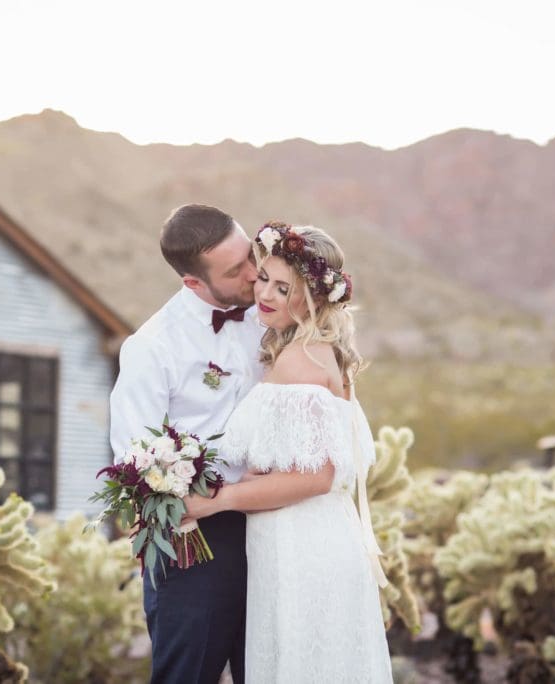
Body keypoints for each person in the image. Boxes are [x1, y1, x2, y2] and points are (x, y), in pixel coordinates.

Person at [182, 222, 393, 683]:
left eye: (285, 288)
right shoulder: (314, 351)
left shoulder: (302, 359)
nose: (267, 295)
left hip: (302, 547)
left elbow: (315, 477)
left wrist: (218, 499)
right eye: (265, 279)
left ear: (315, 298)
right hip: (301, 538)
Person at [108, 204, 264, 684]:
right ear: (193, 283)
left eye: (251, 256)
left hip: (275, 522)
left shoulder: (273, 312)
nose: (254, 274)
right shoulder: (153, 348)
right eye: (236, 270)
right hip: (194, 538)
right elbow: (135, 460)